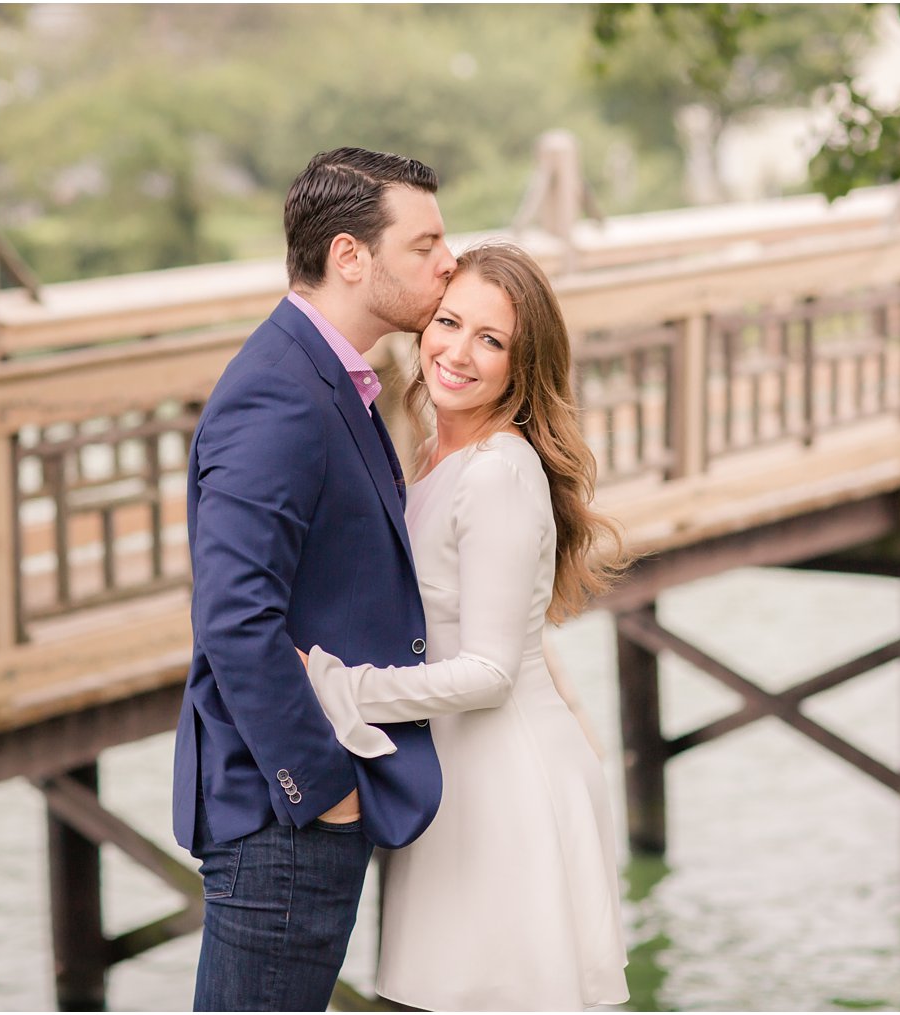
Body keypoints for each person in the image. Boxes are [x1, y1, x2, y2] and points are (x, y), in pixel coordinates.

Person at [303, 242, 632, 1011]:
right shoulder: (431, 455)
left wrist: (333, 686)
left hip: (502, 785)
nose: (458, 351)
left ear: (525, 365)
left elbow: (489, 672)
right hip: (457, 776)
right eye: (449, 322)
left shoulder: (495, 473)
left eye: (492, 339)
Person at [170, 147, 458, 1012]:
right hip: (280, 808)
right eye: (426, 244)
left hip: (309, 798)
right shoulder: (280, 393)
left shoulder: (335, 375)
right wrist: (322, 790)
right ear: (349, 257)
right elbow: (234, 616)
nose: (449, 261)